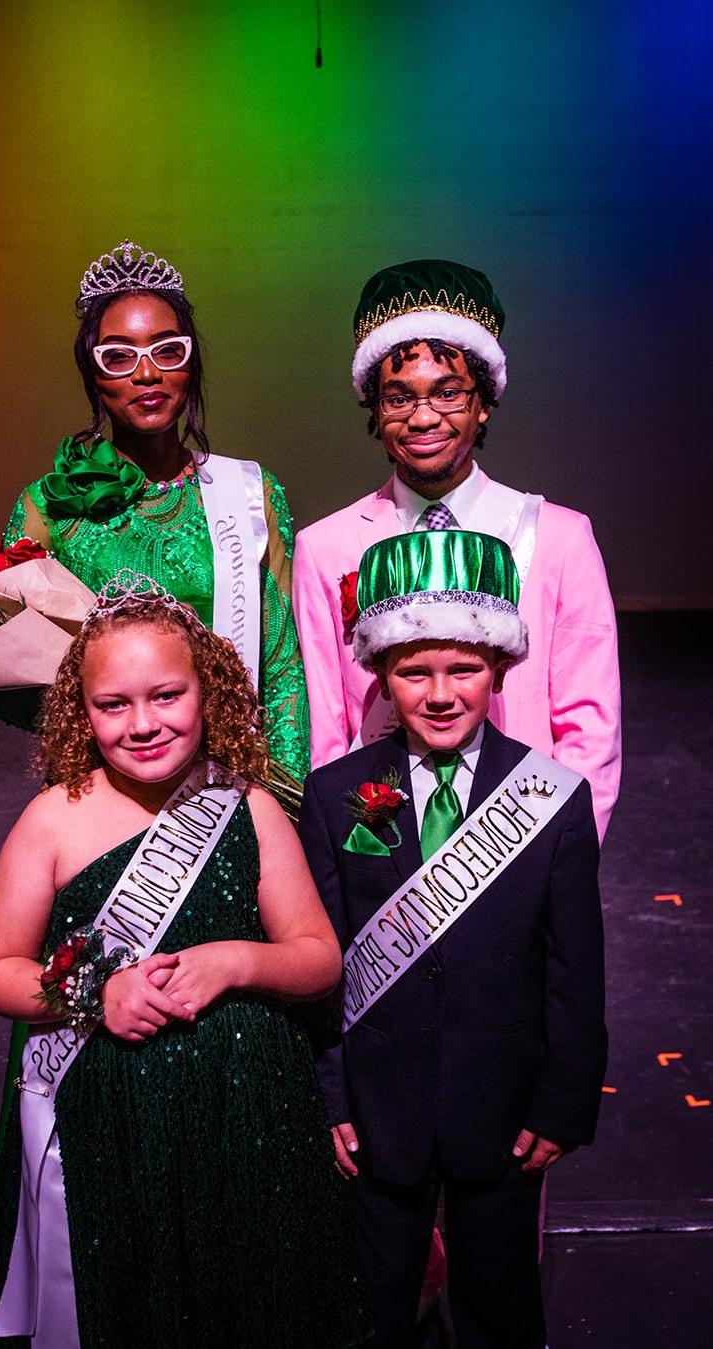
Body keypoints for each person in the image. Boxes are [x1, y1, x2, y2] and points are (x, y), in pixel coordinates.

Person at [0, 572, 367, 1349]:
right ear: (79, 710)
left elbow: (318, 958)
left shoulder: (250, 805)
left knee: (252, 1292)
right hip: (107, 1122)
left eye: (167, 696)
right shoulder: (52, 819)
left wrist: (234, 960)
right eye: (113, 705)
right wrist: (96, 992)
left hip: (250, 1118)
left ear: (210, 692)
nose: (143, 724)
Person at [299, 529, 607, 1349]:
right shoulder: (333, 797)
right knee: (369, 1313)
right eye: (413, 671)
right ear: (380, 674)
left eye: (463, 669)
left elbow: (576, 969)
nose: (440, 693)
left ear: (499, 670)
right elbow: (319, 962)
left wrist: (563, 1104)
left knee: (502, 1309)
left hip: (504, 1113)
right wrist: (328, 1099)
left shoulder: (553, 797)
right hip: (375, 1114)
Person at [292, 257, 620, 838]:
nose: (423, 417)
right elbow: (326, 726)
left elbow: (589, 724)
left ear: (483, 401)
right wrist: (341, 848)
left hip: (522, 833)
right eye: (399, 397)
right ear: (374, 406)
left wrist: (562, 853)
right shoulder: (325, 546)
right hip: (379, 841)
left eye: (447, 393)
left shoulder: (559, 537)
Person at [0, 240, 309, 790]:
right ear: (93, 376)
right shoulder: (47, 507)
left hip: (232, 784)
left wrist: (284, 797)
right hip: (101, 789)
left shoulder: (251, 491)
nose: (146, 374)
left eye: (167, 350)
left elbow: (282, 666)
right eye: (118, 356)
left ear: (191, 365)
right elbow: (19, 681)